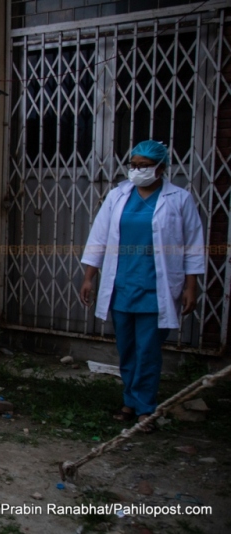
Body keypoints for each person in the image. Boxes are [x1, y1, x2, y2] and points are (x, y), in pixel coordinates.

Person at [79, 140, 204, 432]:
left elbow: (194, 246)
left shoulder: (180, 199)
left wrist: (190, 287)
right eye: (133, 164)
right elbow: (99, 237)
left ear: (160, 168)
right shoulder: (118, 196)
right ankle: (130, 401)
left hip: (157, 288)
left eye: (143, 165)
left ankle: (145, 408)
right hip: (122, 284)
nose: (136, 170)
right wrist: (89, 277)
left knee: (148, 350)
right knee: (127, 348)